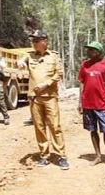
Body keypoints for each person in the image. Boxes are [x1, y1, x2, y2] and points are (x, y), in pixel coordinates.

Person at [18, 30, 69, 170]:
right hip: (34, 98)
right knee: (39, 128)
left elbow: (59, 75)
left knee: (55, 126)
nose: (34, 43)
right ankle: (44, 155)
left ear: (44, 41)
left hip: (50, 97)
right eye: (33, 41)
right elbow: (21, 60)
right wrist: (20, 63)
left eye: (36, 41)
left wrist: (45, 84)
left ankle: (62, 156)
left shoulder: (53, 56)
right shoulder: (29, 56)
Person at [77, 41, 105, 167]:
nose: (88, 52)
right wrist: (80, 101)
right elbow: (81, 83)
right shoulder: (85, 65)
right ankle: (98, 155)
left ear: (97, 52)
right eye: (87, 49)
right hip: (88, 104)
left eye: (91, 50)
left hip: (101, 104)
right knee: (92, 130)